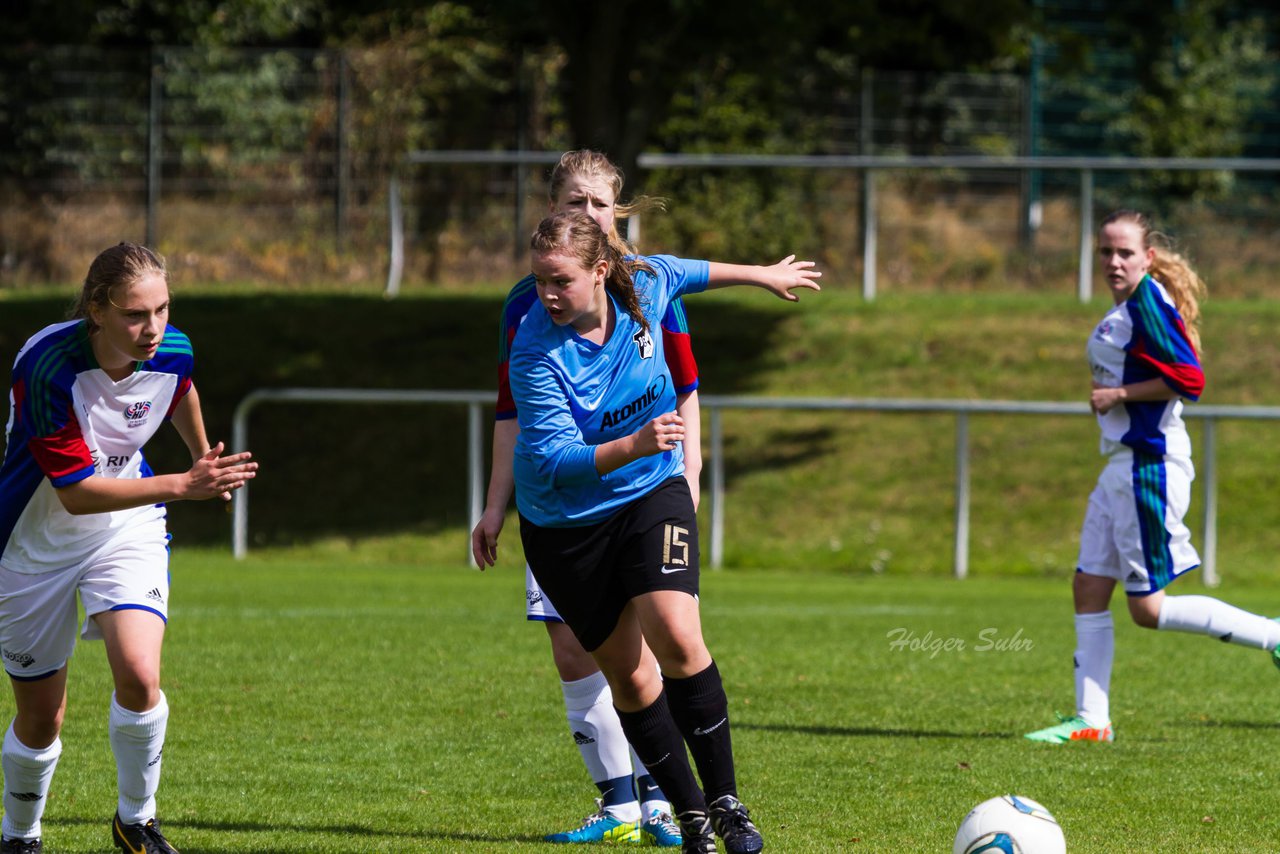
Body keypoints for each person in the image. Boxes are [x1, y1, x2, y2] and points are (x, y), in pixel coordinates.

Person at [510, 210, 820, 854]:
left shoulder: (644, 283)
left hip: (652, 491)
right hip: (566, 527)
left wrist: (763, 275)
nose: (546, 294)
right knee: (630, 677)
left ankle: (729, 804)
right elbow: (553, 463)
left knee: (678, 635)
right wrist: (634, 441)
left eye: (560, 280)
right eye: (539, 279)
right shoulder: (535, 347)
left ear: (601, 271)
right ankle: (691, 818)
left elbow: (690, 271)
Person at [472, 150, 699, 847]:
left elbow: (687, 391)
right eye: (575, 203)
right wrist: (493, 504)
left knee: (655, 639)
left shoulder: (649, 287)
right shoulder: (530, 301)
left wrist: (689, 474)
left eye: (600, 204)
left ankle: (666, 798)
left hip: (643, 496)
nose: (588, 215)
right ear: (554, 210)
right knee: (573, 648)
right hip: (560, 508)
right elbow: (514, 415)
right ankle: (619, 805)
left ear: (616, 212)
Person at [0, 243, 258, 853]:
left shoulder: (172, 347)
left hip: (127, 525)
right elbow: (76, 493)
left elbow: (179, 389)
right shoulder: (46, 366)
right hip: (33, 545)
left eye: (163, 310)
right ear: (97, 309)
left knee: (141, 677)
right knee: (42, 718)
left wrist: (201, 455)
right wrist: (184, 484)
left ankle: (136, 822)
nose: (153, 330)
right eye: (135, 315)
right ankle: (19, 835)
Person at [1025, 209, 1280, 745]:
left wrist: (1120, 394)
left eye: (1124, 252)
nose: (1113, 261)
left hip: (1148, 468)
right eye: (1105, 252)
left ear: (1148, 257)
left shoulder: (1146, 305)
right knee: (1089, 585)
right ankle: (1091, 722)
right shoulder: (1125, 309)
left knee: (1148, 609)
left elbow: (1190, 378)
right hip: (1120, 465)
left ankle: (1275, 635)